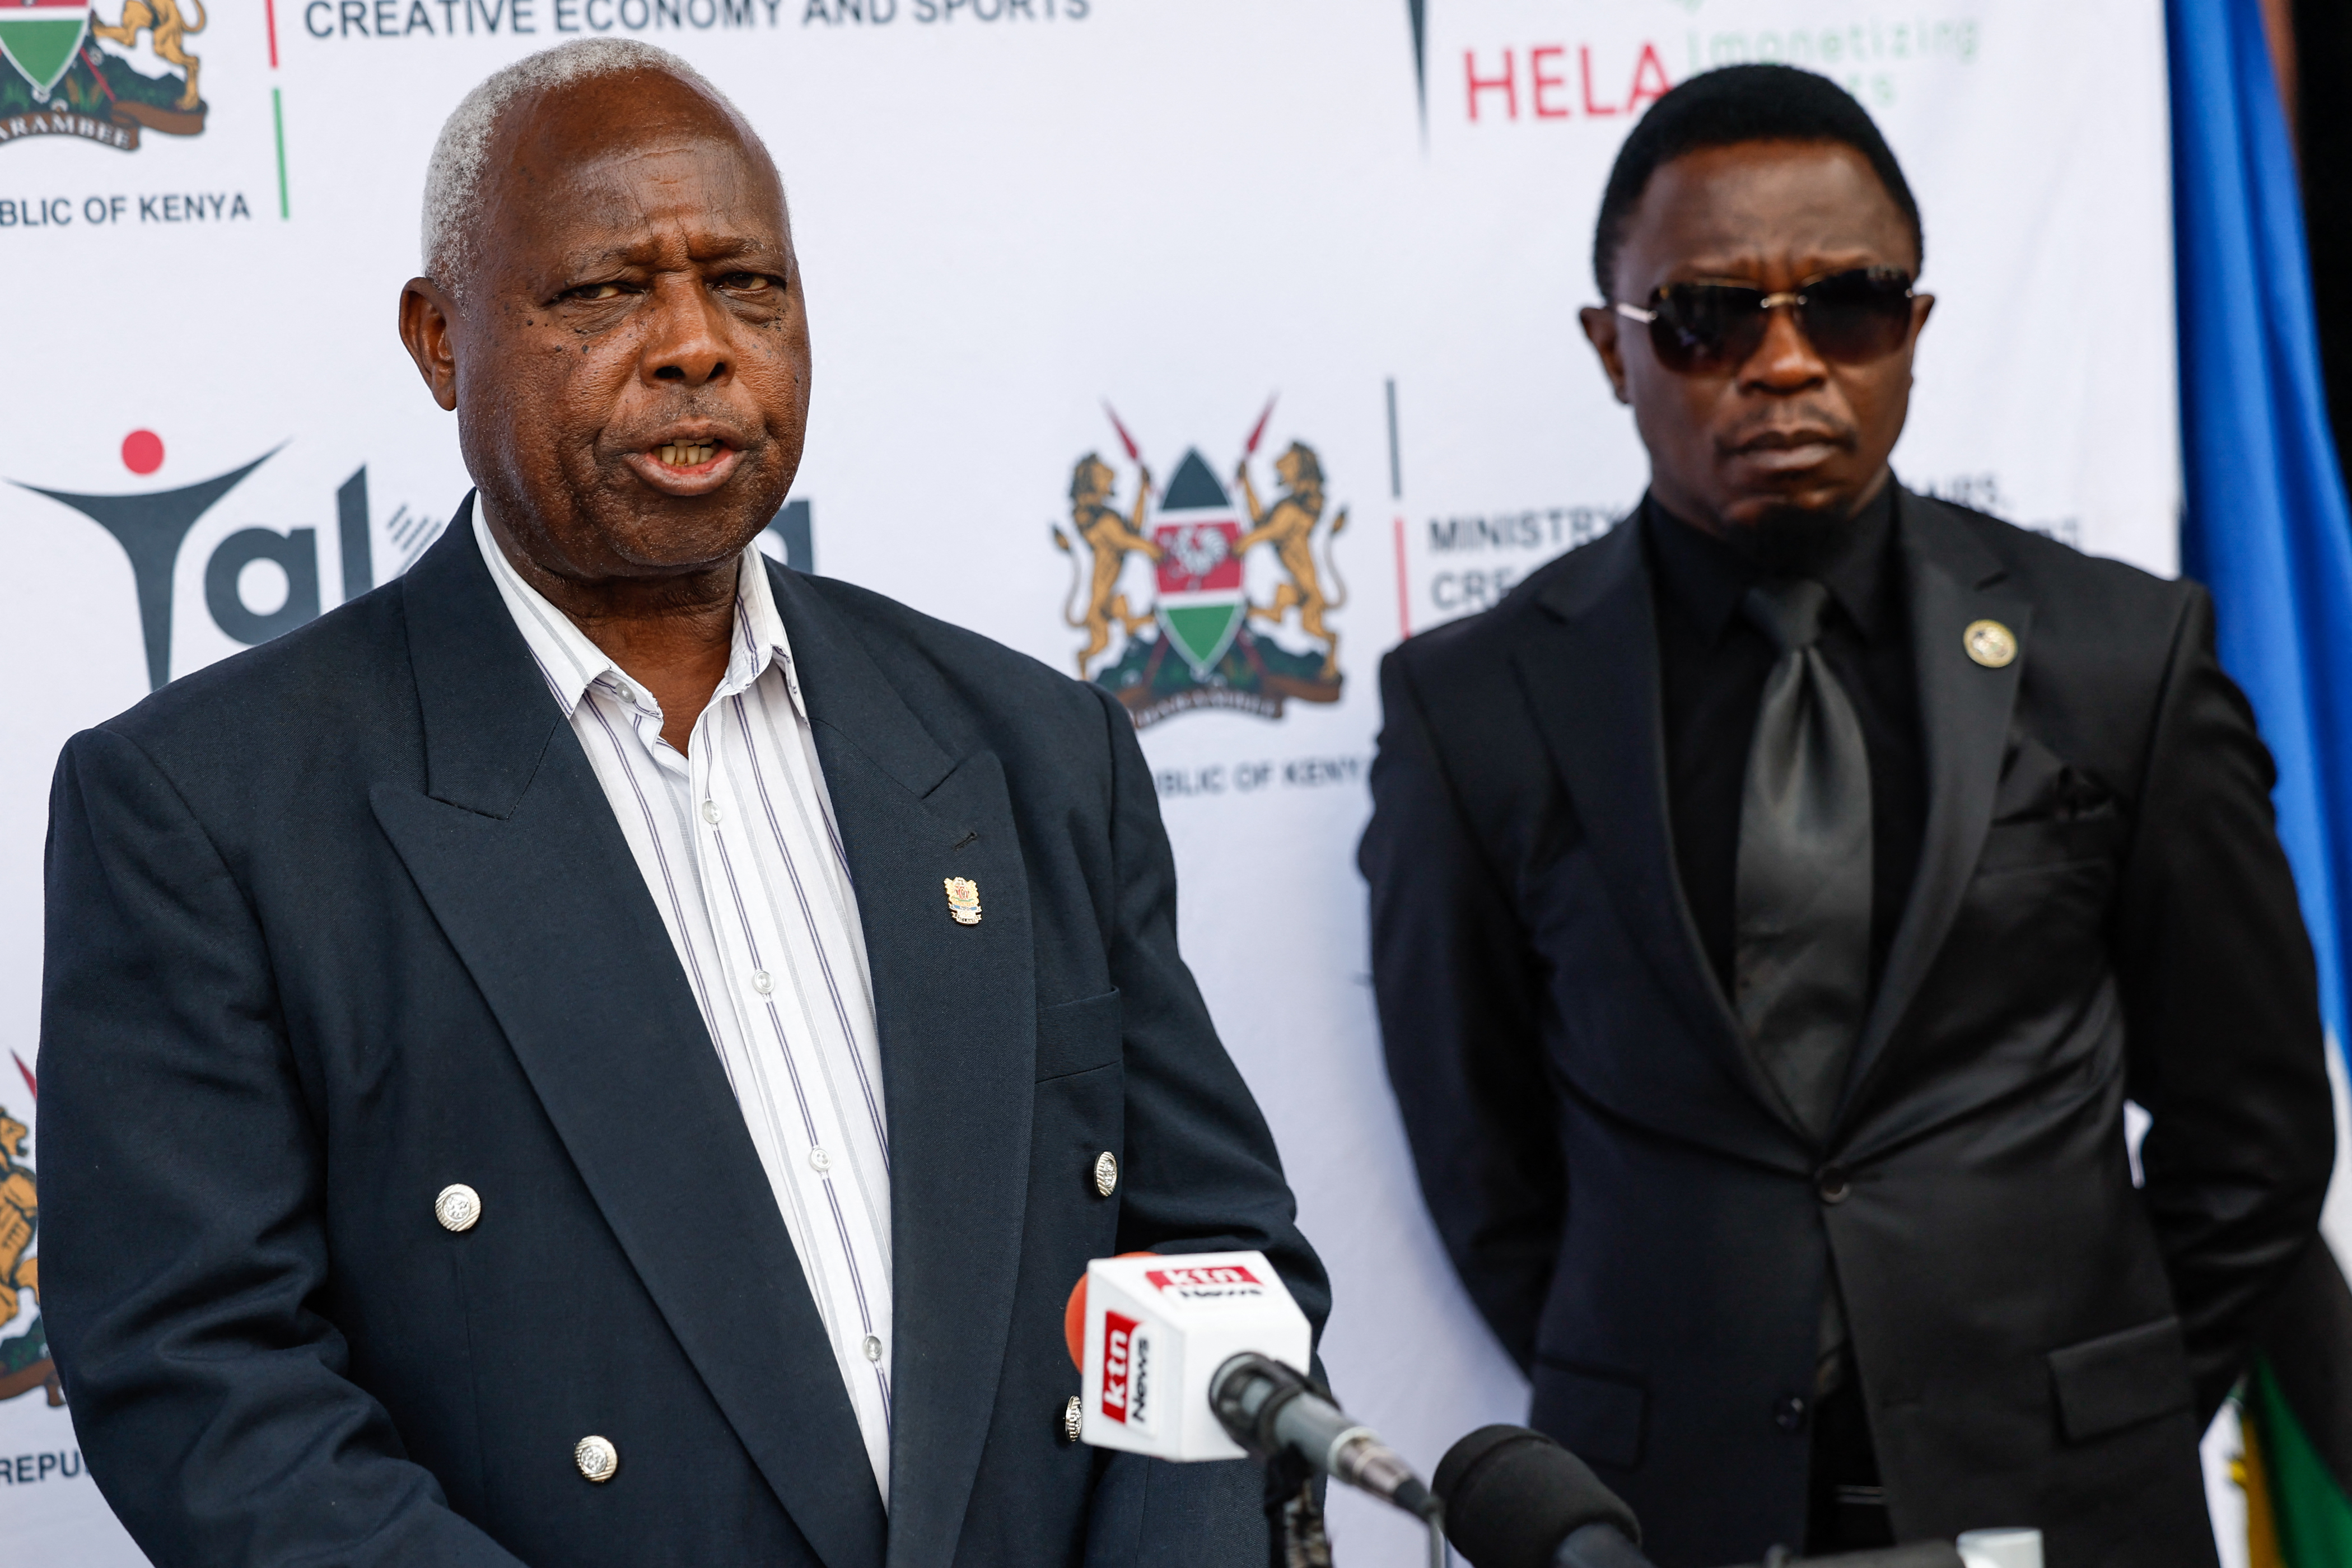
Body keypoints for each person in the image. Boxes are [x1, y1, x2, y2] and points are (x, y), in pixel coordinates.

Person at [39, 39, 1324, 1568]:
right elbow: (207, 1389)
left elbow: (1213, 1270)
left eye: (746, 285)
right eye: (602, 293)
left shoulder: (1032, 749)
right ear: (441, 339)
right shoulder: (209, 806)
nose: (695, 345)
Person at [1360, 64, 2332, 1568]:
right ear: (1612, 352)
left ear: (1917, 332)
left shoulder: (2119, 660)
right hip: (1659, 1509)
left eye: (1851, 306)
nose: (1787, 365)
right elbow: (1486, 1167)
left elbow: (2254, 1130)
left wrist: (2101, 1405)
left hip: (2073, 1506)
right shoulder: (1470, 710)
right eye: (1707, 318)